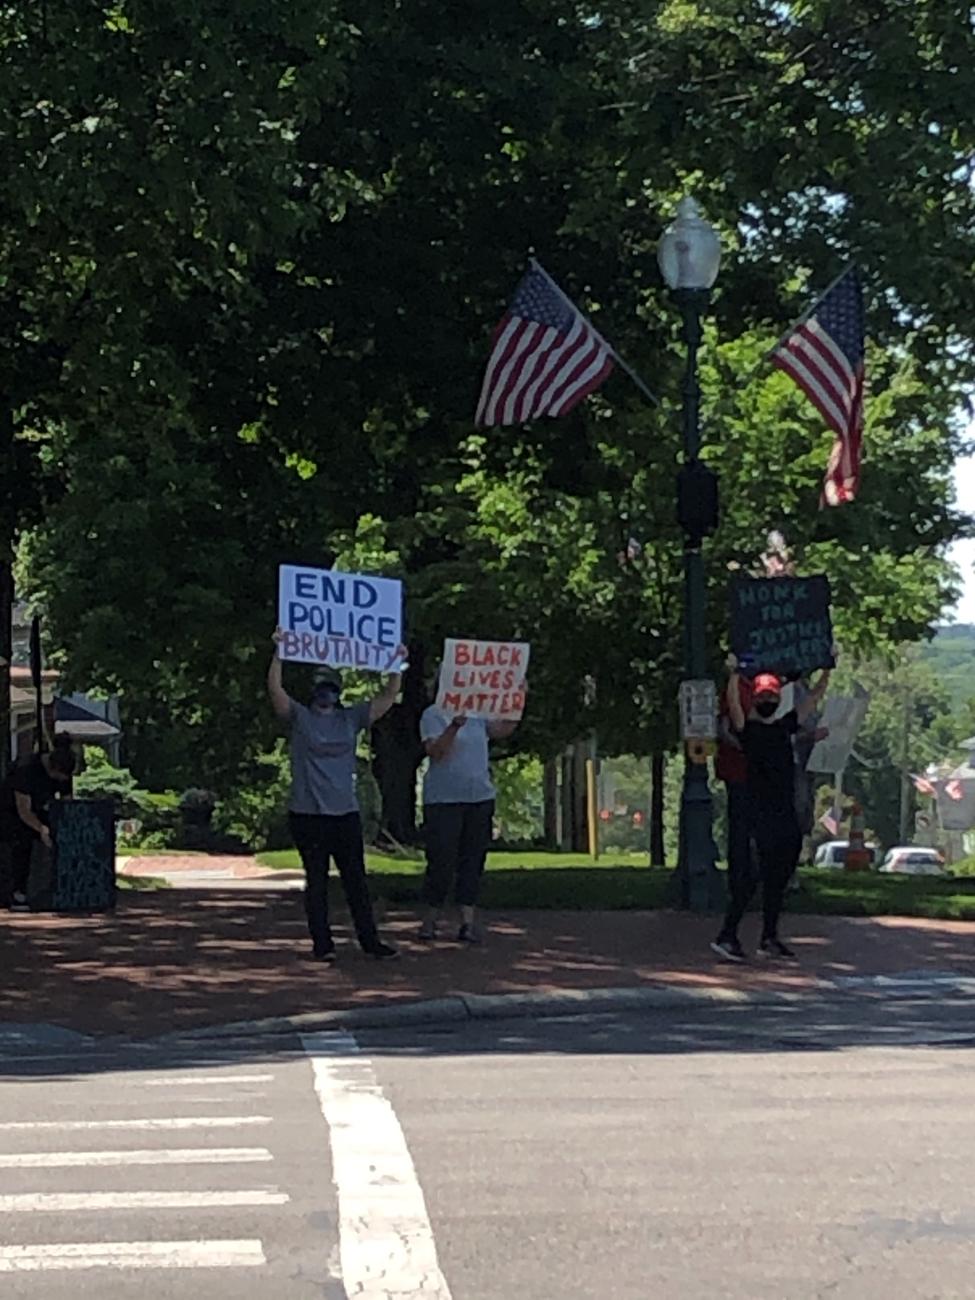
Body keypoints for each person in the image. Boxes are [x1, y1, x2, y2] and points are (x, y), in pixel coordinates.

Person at [267, 629, 405, 963]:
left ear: (338, 691)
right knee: (316, 881)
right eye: (321, 686)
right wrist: (279, 652)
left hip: (344, 812)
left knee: (356, 881)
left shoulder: (351, 718)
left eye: (330, 686)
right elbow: (276, 690)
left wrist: (396, 664)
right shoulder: (300, 717)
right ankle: (323, 944)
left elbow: (388, 697)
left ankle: (370, 942)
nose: (325, 692)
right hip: (307, 813)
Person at [711, 659, 831, 963]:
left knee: (779, 876)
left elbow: (814, 697)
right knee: (750, 878)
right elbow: (735, 704)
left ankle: (769, 937)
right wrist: (735, 674)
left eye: (771, 697)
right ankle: (728, 934)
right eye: (763, 697)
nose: (767, 701)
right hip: (759, 814)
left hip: (784, 815)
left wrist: (828, 668)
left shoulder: (784, 727)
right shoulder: (748, 731)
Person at [417, 699, 520, 944]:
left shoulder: (480, 712)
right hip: (443, 800)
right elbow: (436, 752)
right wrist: (453, 726)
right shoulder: (432, 714)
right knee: (441, 860)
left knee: (473, 860)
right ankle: (430, 920)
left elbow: (503, 729)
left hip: (479, 798)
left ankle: (467, 922)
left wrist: (517, 701)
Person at [0, 736, 76, 912]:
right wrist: (42, 829)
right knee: (20, 842)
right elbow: (23, 810)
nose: (60, 782)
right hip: (10, 812)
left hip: (40, 808)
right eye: (57, 777)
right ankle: (17, 892)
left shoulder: (63, 774)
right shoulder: (26, 770)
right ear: (52, 768)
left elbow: (67, 804)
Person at [715, 672, 755, 923]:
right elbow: (723, 727)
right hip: (737, 771)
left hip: (761, 774)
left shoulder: (770, 685)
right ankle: (738, 882)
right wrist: (743, 744)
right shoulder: (734, 687)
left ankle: (755, 879)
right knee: (739, 829)